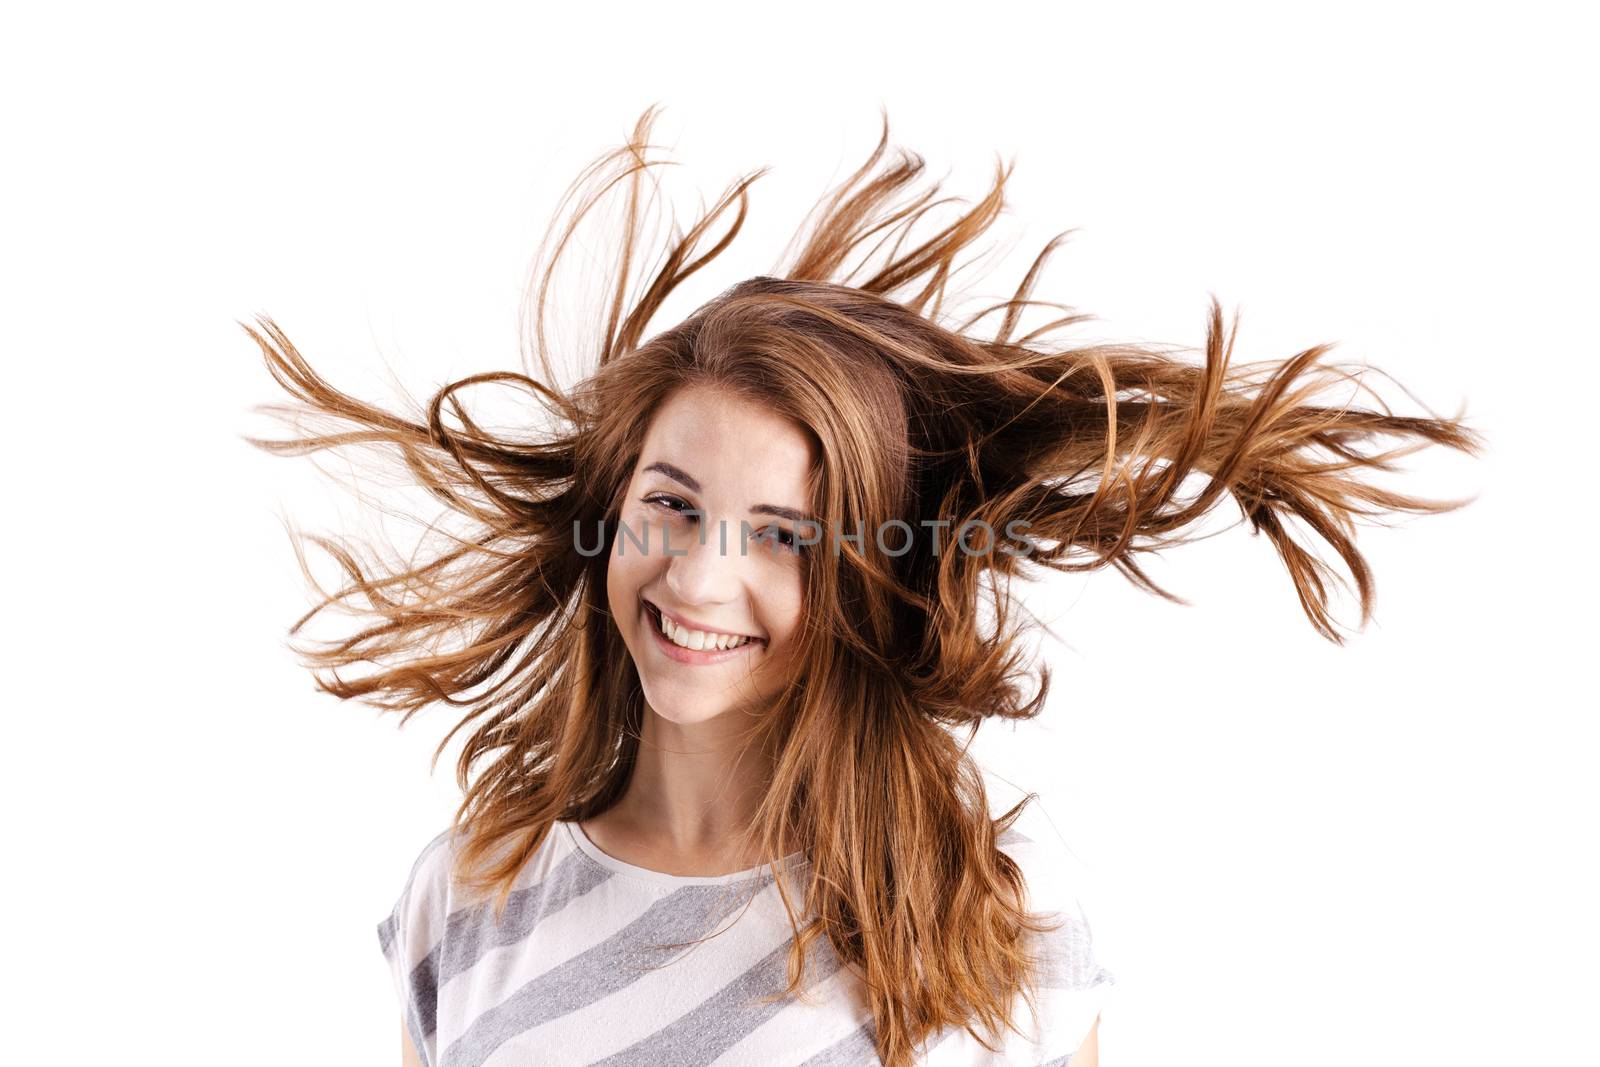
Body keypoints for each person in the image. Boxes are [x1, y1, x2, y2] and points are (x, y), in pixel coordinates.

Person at [241, 104, 1483, 1066]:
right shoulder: (467, 892)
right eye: (671, 504)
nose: (698, 576)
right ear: (611, 505)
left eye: (784, 535)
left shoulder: (991, 920)